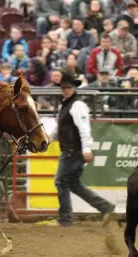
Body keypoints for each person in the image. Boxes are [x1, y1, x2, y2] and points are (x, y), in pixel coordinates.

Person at [48, 72, 115, 227]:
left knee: (61, 182)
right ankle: (105, 207)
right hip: (71, 150)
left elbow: (84, 129)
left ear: (74, 88)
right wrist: (49, 139)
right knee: (73, 184)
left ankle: (65, 218)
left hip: (73, 150)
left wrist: (86, 149)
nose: (65, 90)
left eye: (68, 87)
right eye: (63, 87)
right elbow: (60, 128)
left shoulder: (77, 105)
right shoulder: (69, 104)